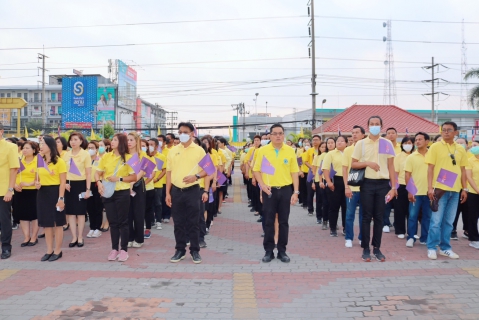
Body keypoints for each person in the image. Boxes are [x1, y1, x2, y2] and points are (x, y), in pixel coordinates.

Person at [351, 116, 397, 262]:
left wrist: (394, 187)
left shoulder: (387, 143)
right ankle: (365, 248)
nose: (375, 126)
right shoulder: (361, 143)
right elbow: (353, 164)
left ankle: (376, 248)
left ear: (382, 126)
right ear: (368, 126)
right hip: (367, 184)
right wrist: (368, 163)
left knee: (379, 217)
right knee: (366, 217)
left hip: (383, 184)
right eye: (372, 124)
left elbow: (391, 167)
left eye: (377, 124)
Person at [253, 123, 299, 263]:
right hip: (269, 190)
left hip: (285, 190)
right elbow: (256, 170)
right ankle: (268, 251)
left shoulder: (290, 151)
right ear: (270, 136)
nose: (278, 136)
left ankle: (282, 251)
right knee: (268, 221)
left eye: (281, 133)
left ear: (283, 135)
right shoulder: (263, 151)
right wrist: (262, 186)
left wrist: (296, 192)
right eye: (275, 133)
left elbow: (294, 172)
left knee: (284, 222)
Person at [166, 122, 208, 264]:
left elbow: (207, 170)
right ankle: (180, 250)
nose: (182, 134)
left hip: (193, 191)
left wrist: (195, 177)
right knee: (178, 222)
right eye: (180, 132)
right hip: (177, 191)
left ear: (192, 133)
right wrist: (167, 193)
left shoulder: (199, 150)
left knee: (193, 222)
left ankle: (195, 251)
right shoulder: (173, 150)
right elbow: (169, 173)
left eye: (185, 132)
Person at [426, 121, 468, 260]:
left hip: (455, 190)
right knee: (436, 221)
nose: (445, 132)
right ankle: (432, 247)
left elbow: (463, 170)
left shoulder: (461, 149)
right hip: (440, 190)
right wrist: (430, 187)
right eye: (443, 130)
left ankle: (445, 248)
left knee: (449, 222)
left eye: (449, 130)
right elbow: (430, 168)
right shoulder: (435, 147)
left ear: (455, 132)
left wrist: (465, 188)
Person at [95, 133, 137, 262]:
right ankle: (114, 249)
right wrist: (98, 183)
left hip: (122, 192)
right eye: (112, 140)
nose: (112, 142)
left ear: (121, 143)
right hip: (108, 192)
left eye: (115, 140)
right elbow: (97, 172)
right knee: (113, 222)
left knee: (123, 222)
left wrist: (119, 178)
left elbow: (134, 177)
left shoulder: (130, 157)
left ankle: (124, 250)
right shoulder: (106, 156)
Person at [36, 135, 67, 262]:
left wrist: (61, 198)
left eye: (43, 144)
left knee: (57, 223)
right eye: (40, 144)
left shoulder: (59, 161)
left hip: (55, 192)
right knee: (47, 224)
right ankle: (49, 250)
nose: (41, 146)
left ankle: (58, 250)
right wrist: (37, 184)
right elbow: (37, 178)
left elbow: (62, 182)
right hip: (42, 193)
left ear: (50, 146)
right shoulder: (39, 160)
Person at [62, 132, 91, 248]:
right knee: (70, 213)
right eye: (71, 140)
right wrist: (64, 184)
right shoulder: (66, 155)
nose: (73, 142)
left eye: (75, 139)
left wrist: (88, 189)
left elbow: (88, 173)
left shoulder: (85, 154)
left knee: (80, 212)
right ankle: (73, 237)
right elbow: (63, 172)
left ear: (81, 141)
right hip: (69, 185)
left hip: (81, 184)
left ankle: (80, 236)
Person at [405, 132, 431, 248]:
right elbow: (407, 175)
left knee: (427, 216)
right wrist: (410, 191)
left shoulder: (432, 155)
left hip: (429, 192)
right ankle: (411, 237)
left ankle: (424, 238)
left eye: (420, 139)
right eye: (416, 140)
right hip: (416, 192)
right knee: (412, 216)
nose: (417, 141)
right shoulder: (411, 157)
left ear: (427, 141)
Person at [342, 125, 365, 248]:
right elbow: (345, 169)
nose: (354, 135)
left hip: (365, 188)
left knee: (364, 215)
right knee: (349, 214)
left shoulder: (368, 148)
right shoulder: (348, 150)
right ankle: (349, 238)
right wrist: (347, 186)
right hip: (352, 187)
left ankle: (362, 237)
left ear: (363, 134)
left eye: (357, 132)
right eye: (353, 132)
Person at [14, 141, 40, 247]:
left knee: (34, 215)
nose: (24, 150)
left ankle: (34, 237)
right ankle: (26, 237)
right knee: (22, 215)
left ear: (34, 150)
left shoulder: (38, 160)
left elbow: (40, 178)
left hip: (33, 191)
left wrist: (28, 184)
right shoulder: (19, 160)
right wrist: (15, 185)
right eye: (23, 148)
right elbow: (12, 174)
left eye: (27, 148)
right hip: (20, 191)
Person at [0, 124, 19, 259]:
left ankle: (6, 247)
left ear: (1, 131)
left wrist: (10, 189)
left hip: (3, 190)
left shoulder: (10, 147)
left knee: (4, 220)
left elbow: (14, 169)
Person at [322, 136, 348, 237]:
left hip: (347, 181)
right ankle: (333, 228)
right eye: (338, 141)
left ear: (346, 143)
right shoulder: (330, 153)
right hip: (334, 180)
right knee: (334, 206)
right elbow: (325, 168)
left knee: (346, 207)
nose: (339, 143)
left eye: (342, 141)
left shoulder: (349, 152)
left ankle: (346, 228)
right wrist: (328, 182)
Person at [127, 132, 147, 248]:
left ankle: (139, 239)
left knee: (138, 213)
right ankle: (129, 237)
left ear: (136, 142)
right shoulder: (123, 154)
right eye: (127, 140)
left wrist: (133, 182)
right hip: (125, 185)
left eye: (131, 140)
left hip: (138, 185)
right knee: (127, 213)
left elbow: (143, 171)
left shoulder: (142, 154)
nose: (129, 142)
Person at [393, 136, 414, 239]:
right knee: (400, 209)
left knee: (413, 210)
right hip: (401, 185)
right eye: (405, 143)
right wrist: (394, 187)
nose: (407, 145)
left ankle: (412, 232)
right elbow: (395, 173)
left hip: (414, 185)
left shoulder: (416, 155)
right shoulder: (398, 156)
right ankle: (400, 230)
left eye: (409, 143)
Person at [452, 137, 469, 239]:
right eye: (457, 143)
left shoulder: (472, 156)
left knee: (468, 210)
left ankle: (467, 230)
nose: (460, 145)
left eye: (462, 143)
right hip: (456, 186)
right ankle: (452, 229)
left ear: (467, 145)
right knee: (455, 209)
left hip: (470, 188)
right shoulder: (454, 156)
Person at [86, 141, 103, 238]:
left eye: (92, 148)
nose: (90, 150)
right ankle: (92, 227)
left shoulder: (100, 160)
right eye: (88, 148)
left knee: (98, 207)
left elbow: (103, 174)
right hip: (88, 185)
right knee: (90, 208)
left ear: (96, 149)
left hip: (97, 184)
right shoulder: (86, 160)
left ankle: (98, 228)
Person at [149, 138, 166, 231]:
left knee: (158, 203)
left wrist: (157, 178)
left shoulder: (161, 156)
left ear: (156, 146)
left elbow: (164, 170)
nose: (150, 146)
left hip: (157, 184)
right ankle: (151, 221)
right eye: (148, 144)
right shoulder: (146, 156)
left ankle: (158, 221)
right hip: (148, 184)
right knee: (149, 204)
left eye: (151, 144)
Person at [141, 139, 157, 239]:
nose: (142, 147)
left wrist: (142, 184)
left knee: (148, 209)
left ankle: (148, 228)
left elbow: (152, 174)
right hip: (134, 189)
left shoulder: (150, 158)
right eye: (140, 145)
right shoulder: (134, 158)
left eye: (144, 145)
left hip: (148, 188)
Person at [465, 144, 479, 249]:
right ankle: (473, 239)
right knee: (473, 216)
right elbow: (469, 177)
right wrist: (477, 190)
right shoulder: (470, 160)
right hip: (473, 192)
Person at [312, 141, 327, 225]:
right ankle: (319, 216)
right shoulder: (317, 157)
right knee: (319, 200)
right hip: (318, 180)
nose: (323, 148)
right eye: (322, 147)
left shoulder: (329, 156)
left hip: (327, 179)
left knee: (326, 200)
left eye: (325, 147)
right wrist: (313, 182)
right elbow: (314, 170)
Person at [305, 135, 321, 216]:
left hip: (320, 172)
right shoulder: (309, 150)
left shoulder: (322, 150)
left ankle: (319, 210)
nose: (315, 141)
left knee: (319, 192)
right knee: (310, 192)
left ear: (320, 141)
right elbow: (305, 161)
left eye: (316, 140)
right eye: (313, 140)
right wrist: (312, 167)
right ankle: (310, 209)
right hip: (311, 172)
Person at [98, 139, 110, 232]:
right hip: (97, 182)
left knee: (107, 205)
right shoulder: (96, 157)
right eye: (98, 146)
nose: (100, 148)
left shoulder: (108, 157)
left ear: (106, 147)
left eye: (101, 145)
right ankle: (101, 222)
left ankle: (107, 222)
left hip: (107, 183)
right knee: (100, 205)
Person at [298, 139, 311, 209]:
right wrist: (300, 171)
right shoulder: (301, 153)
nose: (307, 146)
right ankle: (304, 203)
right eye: (305, 144)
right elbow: (299, 163)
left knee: (309, 189)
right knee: (303, 188)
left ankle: (309, 204)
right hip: (303, 172)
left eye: (308, 144)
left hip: (310, 173)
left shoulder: (312, 153)